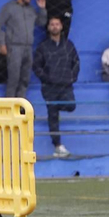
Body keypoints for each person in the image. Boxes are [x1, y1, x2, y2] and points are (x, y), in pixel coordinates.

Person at [34, 17, 80, 157]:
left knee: (71, 106)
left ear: (61, 26)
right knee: (52, 115)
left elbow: (76, 62)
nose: (55, 26)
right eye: (52, 24)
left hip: (66, 86)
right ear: (48, 27)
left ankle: (54, 106)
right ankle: (57, 145)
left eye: (57, 24)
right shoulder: (43, 46)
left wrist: (72, 78)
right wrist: (47, 79)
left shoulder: (69, 45)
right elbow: (36, 66)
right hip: (49, 87)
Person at [0, 0, 47, 98]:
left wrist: (42, 9)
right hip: (14, 47)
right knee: (14, 78)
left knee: (25, 78)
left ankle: (20, 107)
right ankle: (9, 107)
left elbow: (41, 23)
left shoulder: (31, 9)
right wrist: (2, 44)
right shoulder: (9, 7)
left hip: (28, 48)